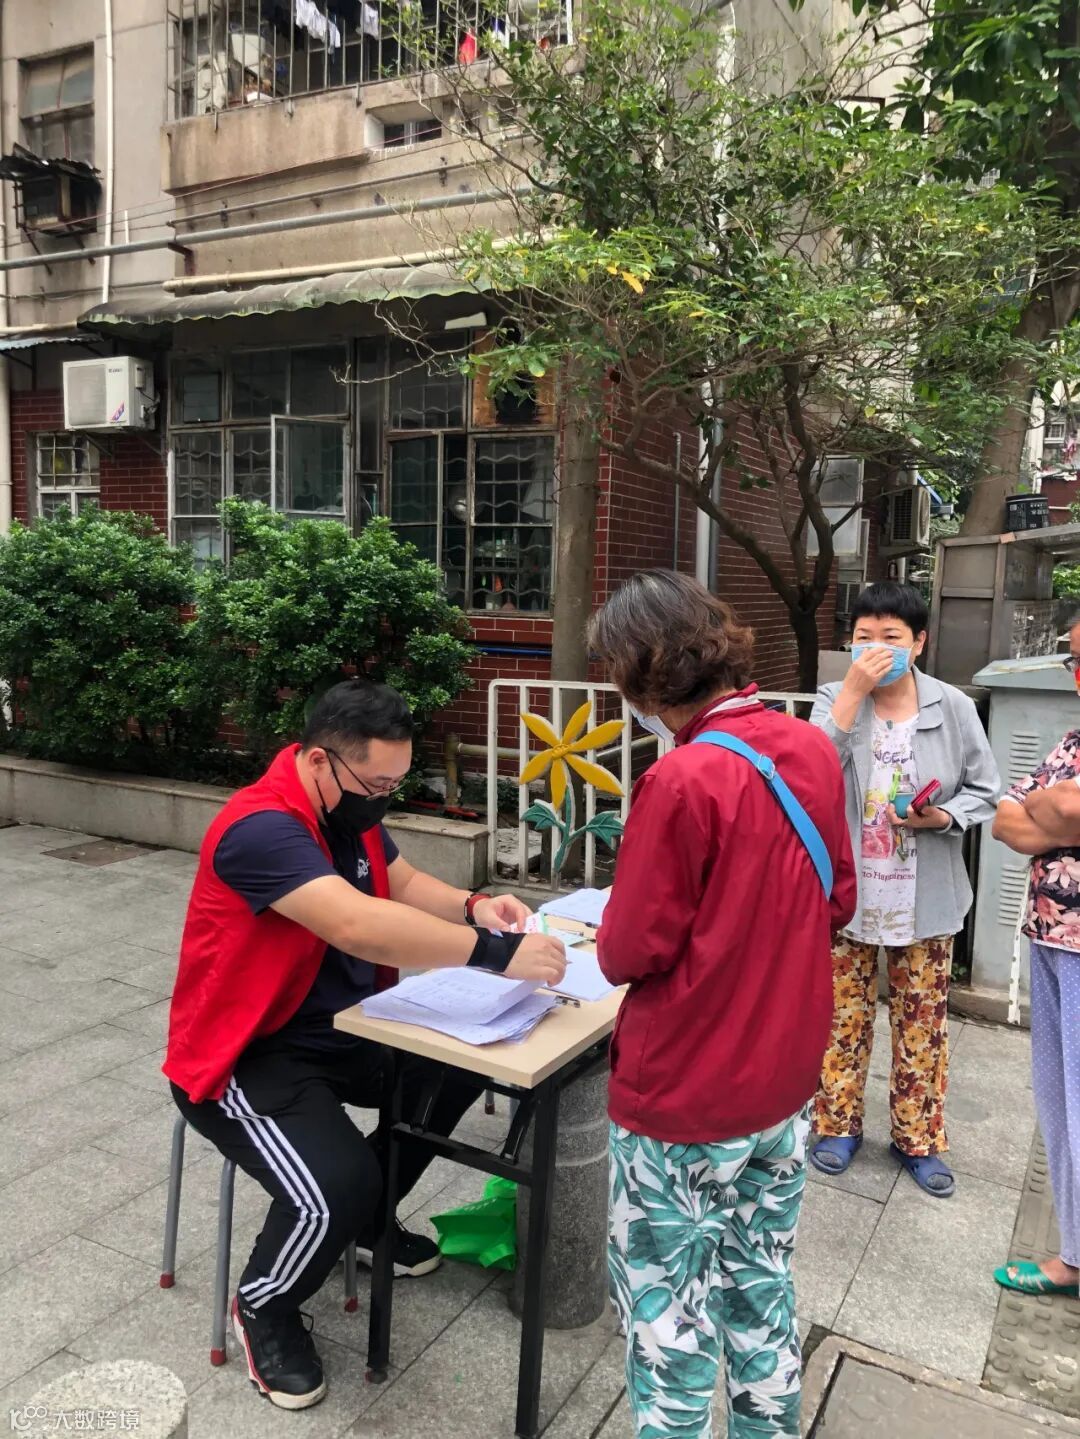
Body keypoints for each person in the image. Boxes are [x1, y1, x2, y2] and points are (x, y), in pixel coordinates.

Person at [164, 679, 566, 1411]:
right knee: (337, 1184)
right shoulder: (261, 826)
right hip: (248, 1051)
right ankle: (266, 1305)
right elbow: (356, 923)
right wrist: (495, 953)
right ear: (321, 759)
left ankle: (367, 1223)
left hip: (345, 1026)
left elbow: (401, 882)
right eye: (377, 784)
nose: (384, 799)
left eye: (394, 784)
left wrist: (476, 905)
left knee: (455, 1070)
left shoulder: (346, 807)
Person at [586, 570, 856, 1439]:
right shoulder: (809, 748)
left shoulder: (681, 779)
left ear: (641, 670)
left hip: (683, 1093)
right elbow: (839, 899)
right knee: (761, 1285)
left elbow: (628, 950)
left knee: (668, 1317)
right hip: (783, 1083)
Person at [809, 582, 1000, 1198]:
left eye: (891, 636)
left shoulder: (953, 706)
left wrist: (942, 817)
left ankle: (918, 1139)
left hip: (927, 893)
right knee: (841, 1017)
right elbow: (809, 771)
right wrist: (852, 692)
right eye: (863, 636)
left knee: (923, 1022)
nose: (875, 647)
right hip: (849, 894)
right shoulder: (834, 699)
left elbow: (985, 789)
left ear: (919, 642)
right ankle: (836, 1126)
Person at [992, 614, 1080, 1298]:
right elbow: (1007, 819)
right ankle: (1073, 1252)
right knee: (1058, 1101)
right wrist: (1057, 809)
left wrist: (1050, 807)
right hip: (1050, 939)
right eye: (1075, 661)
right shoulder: (1074, 739)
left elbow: (1055, 808)